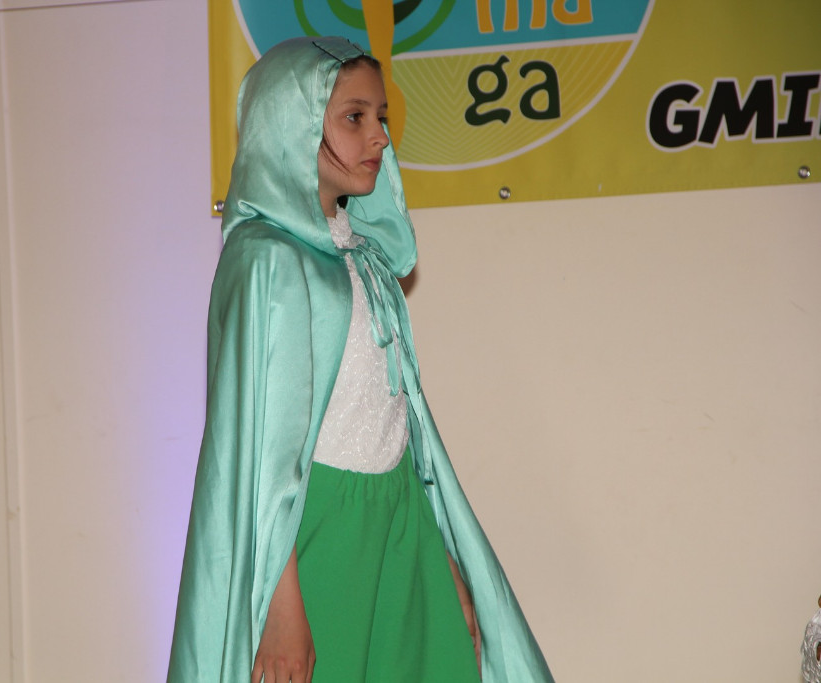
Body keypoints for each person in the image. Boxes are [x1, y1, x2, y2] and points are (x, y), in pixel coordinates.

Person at [167, 36, 553, 683]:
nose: (378, 137)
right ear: (291, 122)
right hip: (314, 534)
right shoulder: (265, 260)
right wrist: (280, 607)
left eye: (381, 117)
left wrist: (443, 561)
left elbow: (403, 424)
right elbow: (258, 454)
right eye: (354, 117)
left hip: (398, 522)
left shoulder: (365, 260)